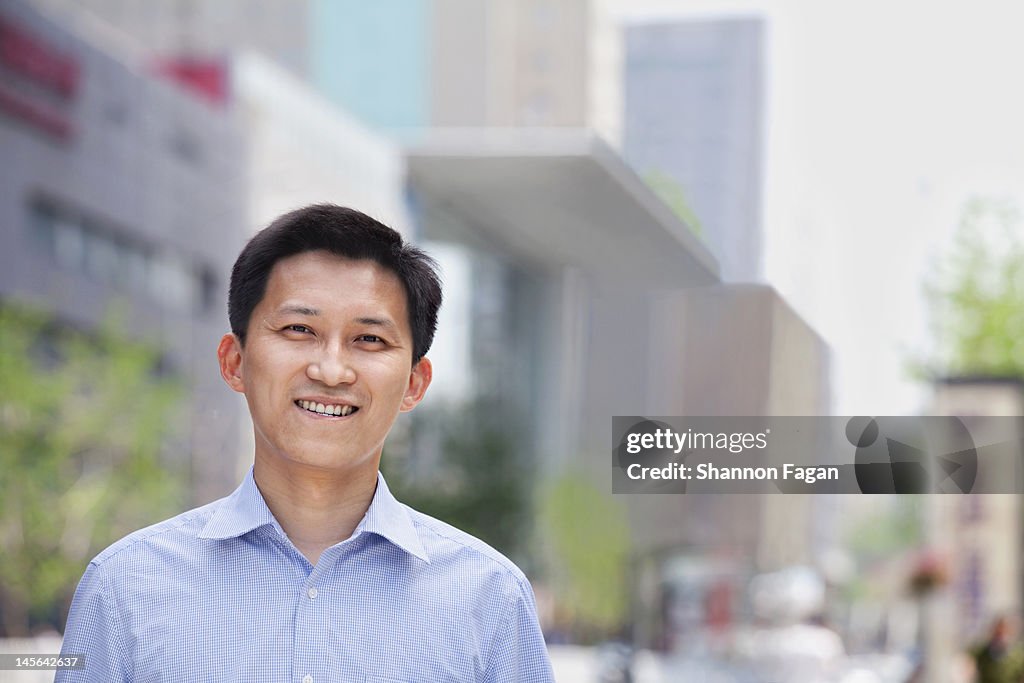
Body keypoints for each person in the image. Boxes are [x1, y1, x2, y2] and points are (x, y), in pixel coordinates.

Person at [57, 205, 555, 682]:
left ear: (414, 384)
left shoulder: (488, 597)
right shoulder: (125, 586)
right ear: (235, 361)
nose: (331, 370)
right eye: (299, 329)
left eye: (370, 340)